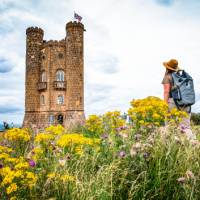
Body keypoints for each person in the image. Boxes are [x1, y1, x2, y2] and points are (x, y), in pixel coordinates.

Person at [161, 58, 195, 139]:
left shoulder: (167, 77)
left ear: (167, 68)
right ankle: (192, 145)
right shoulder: (182, 77)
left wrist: (164, 106)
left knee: (169, 125)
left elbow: (166, 91)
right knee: (186, 126)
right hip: (186, 102)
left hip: (173, 102)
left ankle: (169, 146)